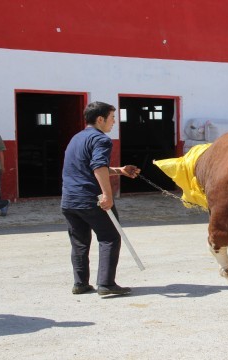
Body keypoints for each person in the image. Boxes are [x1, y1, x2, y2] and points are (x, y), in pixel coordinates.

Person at [61, 101, 141, 296]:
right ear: (100, 119)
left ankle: (80, 283)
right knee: (110, 237)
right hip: (90, 198)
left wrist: (120, 171)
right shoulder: (102, 140)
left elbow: (90, 168)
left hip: (70, 200)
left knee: (79, 242)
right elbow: (97, 167)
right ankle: (105, 283)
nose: (114, 122)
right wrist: (107, 194)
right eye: (112, 118)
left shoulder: (76, 138)